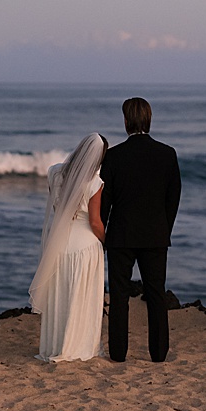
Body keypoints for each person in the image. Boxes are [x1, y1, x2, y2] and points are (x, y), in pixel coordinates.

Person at [100, 96, 181, 363]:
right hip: (156, 234)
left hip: (121, 235)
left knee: (120, 296)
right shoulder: (167, 154)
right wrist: (163, 228)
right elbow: (173, 198)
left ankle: (118, 353)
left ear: (126, 121)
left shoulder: (113, 156)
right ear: (149, 120)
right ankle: (158, 353)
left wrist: (101, 233)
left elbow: (105, 200)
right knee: (156, 294)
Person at [28, 132, 108, 361]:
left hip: (60, 244)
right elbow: (95, 222)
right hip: (85, 247)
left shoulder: (54, 173)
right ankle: (78, 346)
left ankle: (54, 345)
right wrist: (107, 240)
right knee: (79, 299)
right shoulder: (94, 182)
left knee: (59, 296)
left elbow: (58, 210)